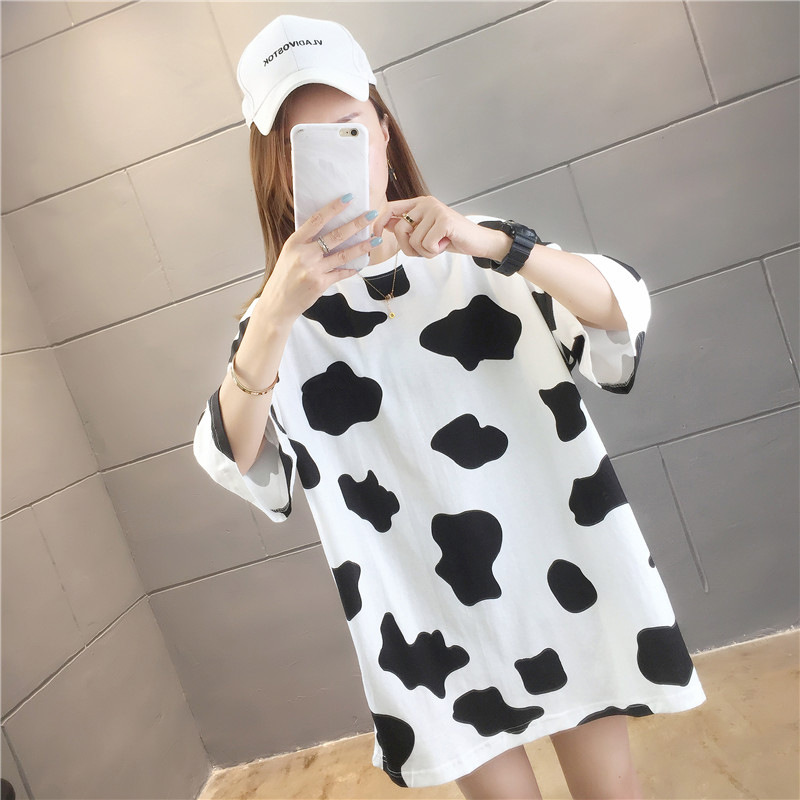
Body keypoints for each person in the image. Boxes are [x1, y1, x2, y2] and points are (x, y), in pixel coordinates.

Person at [193, 14, 706, 799]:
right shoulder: (276, 328)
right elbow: (236, 458)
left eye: (350, 130)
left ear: (383, 131)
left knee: (611, 791)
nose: (338, 157)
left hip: (563, 565)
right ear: (277, 171)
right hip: (427, 618)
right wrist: (274, 315)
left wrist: (495, 244)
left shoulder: (481, 250)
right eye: (303, 146)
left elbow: (619, 312)